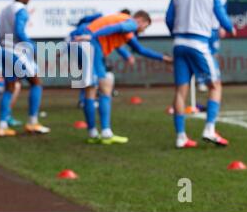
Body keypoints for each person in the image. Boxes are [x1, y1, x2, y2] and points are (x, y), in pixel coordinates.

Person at [72, 10, 172, 145]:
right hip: (91, 43)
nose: (143, 31)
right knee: (105, 88)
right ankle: (106, 133)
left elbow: (140, 50)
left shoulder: (122, 23)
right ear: (140, 21)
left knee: (90, 90)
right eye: (145, 27)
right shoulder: (131, 23)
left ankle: (93, 133)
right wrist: (92, 37)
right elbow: (116, 28)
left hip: (79, 44)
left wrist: (163, 58)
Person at [166, 0, 236, 149]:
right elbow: (220, 15)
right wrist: (230, 28)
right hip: (199, 43)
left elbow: (169, 18)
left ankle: (181, 137)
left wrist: (176, 32)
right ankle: (209, 129)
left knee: (181, 91)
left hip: (179, 43)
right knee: (215, 86)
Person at [0, 0, 50, 137]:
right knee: (36, 83)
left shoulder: (5, 10)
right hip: (16, 51)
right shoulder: (21, 9)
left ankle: (2, 126)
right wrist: (32, 47)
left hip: (4, 50)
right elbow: (19, 31)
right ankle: (32, 122)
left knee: (9, 88)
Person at [197, 0, 228, 92]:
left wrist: (223, 27)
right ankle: (202, 81)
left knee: (213, 55)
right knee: (201, 55)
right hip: (204, 29)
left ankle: (215, 78)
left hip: (214, 29)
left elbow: (223, 12)